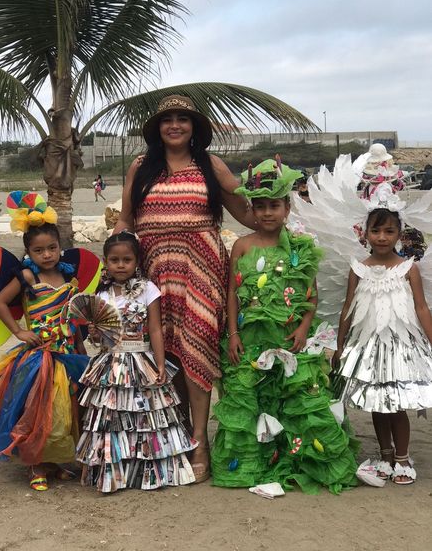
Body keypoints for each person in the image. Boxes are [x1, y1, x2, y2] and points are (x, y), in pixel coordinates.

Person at [113, 95, 256, 483]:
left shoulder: (211, 164)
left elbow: (246, 211)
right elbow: (126, 219)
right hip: (153, 269)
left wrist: (278, 210)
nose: (174, 125)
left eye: (183, 119)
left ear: (194, 127)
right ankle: (175, 432)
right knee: (165, 352)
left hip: (201, 268)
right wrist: (113, 263)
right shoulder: (141, 166)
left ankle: (199, 441)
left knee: (197, 347)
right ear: (157, 129)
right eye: (167, 119)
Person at [210, 158, 359, 494]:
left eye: (274, 206)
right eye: (260, 206)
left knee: (300, 397)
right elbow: (232, 293)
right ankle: (257, 463)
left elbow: (311, 295)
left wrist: (304, 328)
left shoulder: (301, 246)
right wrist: (233, 334)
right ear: (252, 209)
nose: (267, 213)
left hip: (291, 339)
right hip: (251, 340)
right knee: (252, 398)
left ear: (287, 208)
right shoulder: (242, 246)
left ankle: (300, 460)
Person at [0, 192, 89, 491]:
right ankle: (35, 464)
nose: (47, 255)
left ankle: (55, 461)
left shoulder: (69, 279)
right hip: (38, 356)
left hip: (67, 352)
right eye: (39, 250)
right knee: (37, 409)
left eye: (52, 248)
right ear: (29, 252)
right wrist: (18, 332)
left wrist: (81, 348)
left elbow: (73, 317)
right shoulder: (28, 276)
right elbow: (0, 302)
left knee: (65, 409)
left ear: (60, 247)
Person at [76, 231, 197, 492]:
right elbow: (98, 338)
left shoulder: (148, 289)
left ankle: (147, 471)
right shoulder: (102, 294)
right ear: (105, 262)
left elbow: (155, 329)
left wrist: (161, 364)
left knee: (147, 417)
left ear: (137, 261)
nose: (120, 265)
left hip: (142, 359)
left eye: (127, 260)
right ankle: (116, 472)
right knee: (112, 417)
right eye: (114, 260)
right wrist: (95, 333)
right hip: (111, 362)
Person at [334, 195, 432, 485]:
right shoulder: (358, 269)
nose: (382, 237)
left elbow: (421, 308)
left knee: (397, 404)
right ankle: (385, 455)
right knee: (377, 403)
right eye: (375, 230)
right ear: (365, 233)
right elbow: (348, 308)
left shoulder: (408, 268)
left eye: (389, 231)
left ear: (399, 234)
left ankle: (402, 457)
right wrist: (340, 345)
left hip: (401, 347)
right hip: (368, 347)